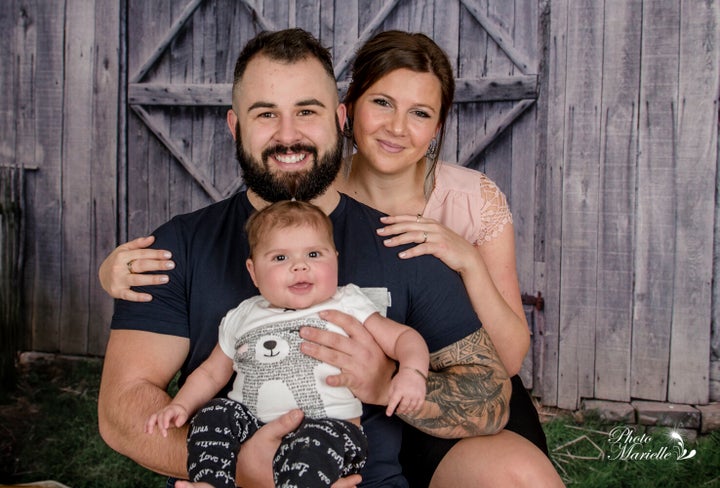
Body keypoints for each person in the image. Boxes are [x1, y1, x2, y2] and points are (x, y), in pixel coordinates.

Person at [101, 30, 565, 487]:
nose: (288, 136)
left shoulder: (401, 244)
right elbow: (123, 406)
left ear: (339, 118)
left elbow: (489, 391)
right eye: (266, 114)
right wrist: (241, 472)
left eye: (307, 110)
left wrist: (386, 383)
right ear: (234, 125)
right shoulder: (177, 246)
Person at [335, 31, 563, 486]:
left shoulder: (473, 199)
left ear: (436, 128)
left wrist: (469, 262)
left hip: (458, 391)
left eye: (420, 113)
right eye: (382, 103)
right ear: (351, 107)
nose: (397, 127)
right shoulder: (313, 196)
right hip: (347, 394)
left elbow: (511, 358)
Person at [144, 200, 430, 488]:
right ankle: (210, 482)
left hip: (330, 427)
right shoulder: (242, 315)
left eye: (314, 254)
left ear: (335, 259)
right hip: (251, 427)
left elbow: (404, 337)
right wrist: (181, 405)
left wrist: (412, 372)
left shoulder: (348, 302)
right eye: (280, 258)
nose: (300, 266)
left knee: (311, 450)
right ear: (253, 271)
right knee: (214, 414)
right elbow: (210, 373)